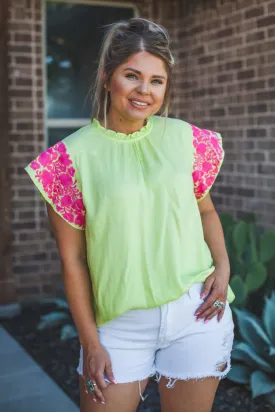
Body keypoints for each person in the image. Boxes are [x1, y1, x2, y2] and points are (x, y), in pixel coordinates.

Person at [25, 17, 235, 412]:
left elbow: (205, 211)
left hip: (198, 313)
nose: (144, 91)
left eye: (156, 80)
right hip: (118, 328)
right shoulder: (66, 159)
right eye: (132, 76)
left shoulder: (185, 138)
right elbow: (72, 260)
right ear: (107, 78)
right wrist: (90, 343)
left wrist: (223, 268)